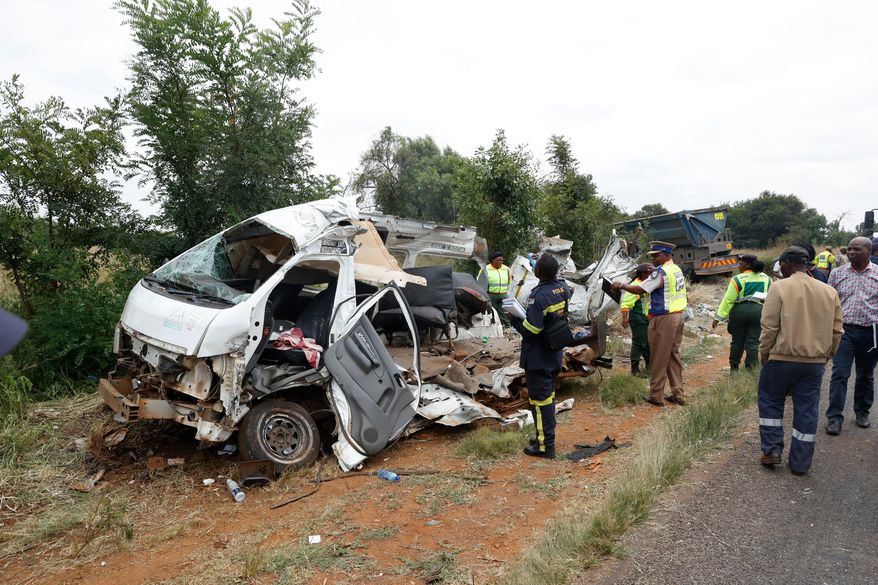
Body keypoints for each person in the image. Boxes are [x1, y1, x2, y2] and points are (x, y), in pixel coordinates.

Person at [757, 246, 843, 475]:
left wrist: (764, 355)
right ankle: (801, 463)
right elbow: (837, 331)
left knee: (771, 402)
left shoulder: (778, 288)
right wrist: (827, 355)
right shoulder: (829, 291)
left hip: (780, 360)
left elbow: (769, 327)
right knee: (807, 410)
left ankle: (772, 451)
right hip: (814, 363)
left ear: (786, 264)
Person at [509, 254, 572, 458]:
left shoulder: (540, 296)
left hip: (538, 356)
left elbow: (532, 329)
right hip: (553, 352)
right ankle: (542, 437)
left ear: (537, 272)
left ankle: (545, 446)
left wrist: (514, 320)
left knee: (540, 401)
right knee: (547, 398)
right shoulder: (563, 288)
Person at [612, 241, 688, 407]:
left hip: (664, 318)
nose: (653, 258)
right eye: (652, 255)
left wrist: (622, 285)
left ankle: (656, 396)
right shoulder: (676, 270)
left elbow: (640, 289)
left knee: (659, 357)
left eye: (657, 255)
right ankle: (678, 393)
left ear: (667, 255)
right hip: (678, 316)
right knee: (673, 356)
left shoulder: (660, 273)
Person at [824, 236, 878, 435]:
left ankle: (862, 413)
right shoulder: (837, 274)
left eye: (857, 249)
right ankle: (834, 418)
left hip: (870, 333)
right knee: (839, 374)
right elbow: (830, 304)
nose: (852, 252)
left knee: (866, 375)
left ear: (869, 252)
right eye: (849, 249)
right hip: (844, 332)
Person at [712, 254, 772, 370]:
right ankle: (751, 369)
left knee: (737, 341)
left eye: (740, 264)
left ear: (748, 265)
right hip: (758, 312)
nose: (738, 267)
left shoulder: (737, 279)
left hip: (739, 312)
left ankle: (734, 368)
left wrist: (718, 318)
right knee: (753, 342)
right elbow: (771, 298)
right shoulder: (767, 278)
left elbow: (728, 300)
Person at [620, 263, 653, 377]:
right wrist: (624, 318)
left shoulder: (647, 283)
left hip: (646, 317)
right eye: (649, 273)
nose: (651, 275)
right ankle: (635, 369)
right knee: (639, 343)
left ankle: (650, 365)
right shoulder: (636, 285)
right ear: (643, 273)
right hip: (638, 318)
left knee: (647, 342)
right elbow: (626, 303)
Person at [478, 251, 512, 326]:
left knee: (505, 313)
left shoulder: (507, 269)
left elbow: (509, 282)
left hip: (503, 295)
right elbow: (480, 283)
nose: (500, 262)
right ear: (492, 260)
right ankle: (493, 327)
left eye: (501, 260)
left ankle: (506, 327)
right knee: (491, 313)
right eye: (498, 260)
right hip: (490, 295)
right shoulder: (485, 269)